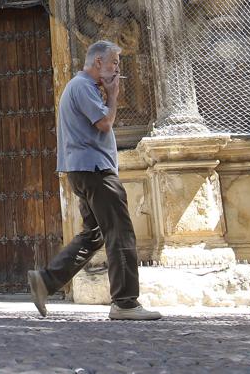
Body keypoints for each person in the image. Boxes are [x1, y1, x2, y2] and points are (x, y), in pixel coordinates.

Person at [28, 40, 162, 321]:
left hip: (83, 170)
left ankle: (46, 280)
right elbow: (104, 123)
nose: (117, 69)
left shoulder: (79, 87)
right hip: (96, 171)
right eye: (114, 63)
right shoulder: (82, 87)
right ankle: (125, 303)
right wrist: (112, 94)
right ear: (98, 62)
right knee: (120, 231)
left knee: (95, 233)